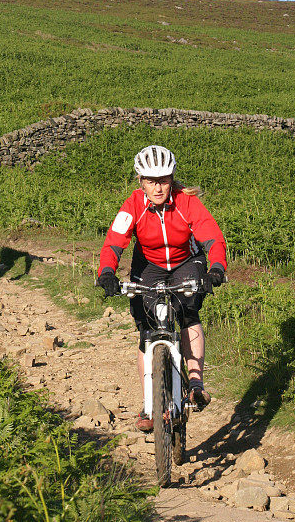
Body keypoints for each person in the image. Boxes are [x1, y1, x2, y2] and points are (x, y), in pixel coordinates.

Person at [97, 144, 227, 432]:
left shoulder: (186, 202)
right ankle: (148, 403)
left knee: (188, 312)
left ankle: (194, 382)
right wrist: (107, 272)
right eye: (151, 181)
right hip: (149, 265)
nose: (158, 187)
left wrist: (216, 267)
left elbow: (211, 236)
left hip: (186, 260)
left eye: (164, 180)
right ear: (141, 181)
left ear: (172, 178)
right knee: (146, 327)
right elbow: (115, 241)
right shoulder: (132, 205)